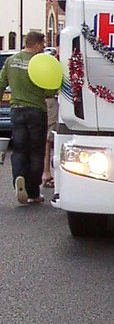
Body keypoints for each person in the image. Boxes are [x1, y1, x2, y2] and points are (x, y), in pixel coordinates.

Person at [0, 31, 54, 204]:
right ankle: (32, 192)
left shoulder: (11, 61)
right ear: (37, 44)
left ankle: (19, 178)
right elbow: (50, 90)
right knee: (36, 151)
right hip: (36, 111)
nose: (43, 49)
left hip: (16, 110)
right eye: (43, 45)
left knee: (19, 149)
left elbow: (1, 83)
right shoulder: (38, 63)